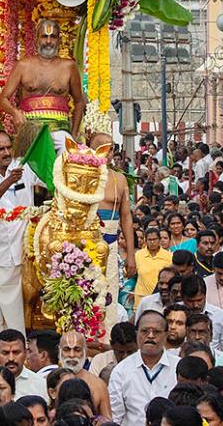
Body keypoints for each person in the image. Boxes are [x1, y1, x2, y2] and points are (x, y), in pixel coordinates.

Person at [0, 131, 42, 333]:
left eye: (8, 147)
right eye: (0, 149)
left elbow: (49, 179)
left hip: (23, 250)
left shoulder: (24, 166)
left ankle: (20, 341)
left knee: (22, 302)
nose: (6, 152)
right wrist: (8, 182)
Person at [0, 19, 86, 156]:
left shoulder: (69, 66)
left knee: (66, 159)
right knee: (28, 169)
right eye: (44, 36)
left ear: (59, 40)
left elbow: (79, 101)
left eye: (53, 37)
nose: (49, 41)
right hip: (30, 128)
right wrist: (15, 113)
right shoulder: (23, 65)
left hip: (60, 129)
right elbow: (3, 99)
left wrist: (74, 133)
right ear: (37, 39)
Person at [88, 131, 136, 329]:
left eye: (111, 148)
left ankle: (106, 337)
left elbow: (126, 217)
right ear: (92, 150)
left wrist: (131, 256)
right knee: (88, 293)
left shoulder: (119, 179)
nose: (108, 153)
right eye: (103, 148)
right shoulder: (83, 175)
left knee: (110, 292)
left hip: (111, 244)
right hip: (87, 245)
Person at [108, 311, 178, 426]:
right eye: (145, 331)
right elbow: (115, 416)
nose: (150, 336)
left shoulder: (177, 367)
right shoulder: (121, 370)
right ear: (137, 334)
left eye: (156, 332)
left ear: (166, 335)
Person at [57, 331, 110, 417]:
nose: (71, 355)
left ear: (85, 352)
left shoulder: (98, 385)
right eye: (66, 350)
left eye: (77, 350)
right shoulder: (47, 381)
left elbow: (107, 421)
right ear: (59, 352)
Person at [180, 275, 223, 353]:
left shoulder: (220, 316)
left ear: (205, 296)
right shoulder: (174, 315)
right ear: (183, 297)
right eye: (190, 301)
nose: (195, 305)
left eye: (199, 300)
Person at [0, 330, 48, 399]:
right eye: (5, 353)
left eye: (16, 352)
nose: (11, 358)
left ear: (25, 353)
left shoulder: (41, 385)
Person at [134, 229, 173, 310]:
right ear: (145, 240)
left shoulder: (169, 256)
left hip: (162, 300)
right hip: (141, 300)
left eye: (154, 239)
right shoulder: (138, 255)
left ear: (159, 240)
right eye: (149, 240)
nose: (152, 242)